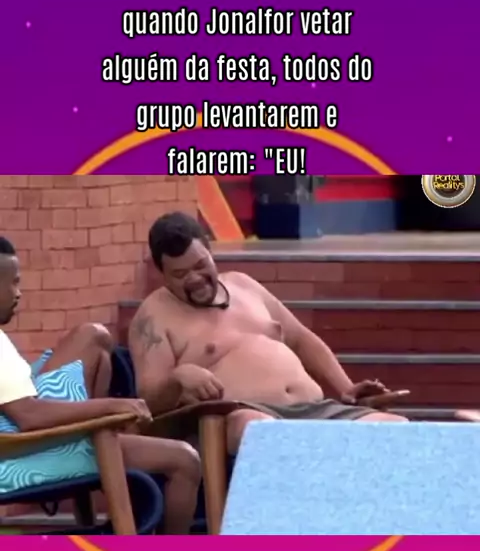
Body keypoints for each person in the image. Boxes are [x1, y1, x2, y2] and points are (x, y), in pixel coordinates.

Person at [129, 212, 408, 454]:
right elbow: (149, 402)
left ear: (211, 253)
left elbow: (301, 339)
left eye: (200, 265)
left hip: (315, 409)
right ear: (162, 274)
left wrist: (347, 390)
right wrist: (178, 377)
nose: (194, 278)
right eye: (180, 274)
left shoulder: (243, 285)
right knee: (261, 433)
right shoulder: (154, 316)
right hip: (245, 415)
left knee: (397, 430)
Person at [0, 237, 200, 534]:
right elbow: (29, 416)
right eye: (13, 283)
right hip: (25, 452)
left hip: (26, 439)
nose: (19, 293)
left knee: (95, 343)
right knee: (185, 460)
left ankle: (105, 453)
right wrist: (112, 407)